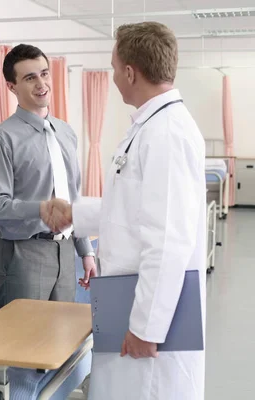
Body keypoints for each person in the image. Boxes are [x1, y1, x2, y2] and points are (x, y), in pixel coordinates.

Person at [49, 22, 207, 400]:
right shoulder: (151, 126)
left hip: (147, 317)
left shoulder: (166, 133)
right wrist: (76, 213)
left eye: (114, 67)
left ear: (131, 72)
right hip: (127, 298)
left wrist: (147, 328)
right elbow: (135, 209)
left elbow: (168, 238)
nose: (114, 77)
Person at [0, 43, 96, 308]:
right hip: (23, 253)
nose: (41, 83)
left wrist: (86, 252)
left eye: (44, 74)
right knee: (22, 343)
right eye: (30, 78)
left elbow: (73, 198)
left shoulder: (66, 133)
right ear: (12, 86)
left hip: (66, 253)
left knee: (62, 342)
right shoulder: (2, 138)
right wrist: (41, 209)